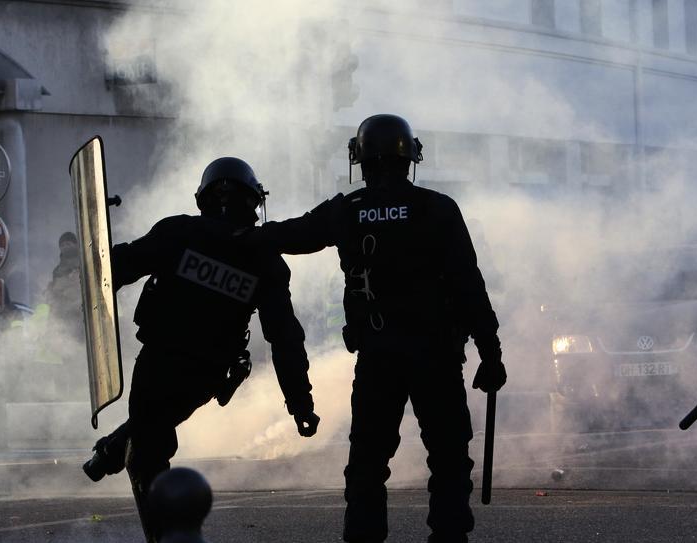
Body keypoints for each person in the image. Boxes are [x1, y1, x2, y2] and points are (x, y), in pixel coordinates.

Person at [247, 114, 507, 542]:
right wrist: (491, 354)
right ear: (412, 157)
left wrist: (232, 234)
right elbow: (468, 287)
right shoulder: (438, 208)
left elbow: (291, 235)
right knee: (448, 461)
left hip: (379, 358)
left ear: (360, 160)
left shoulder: (346, 212)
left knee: (367, 466)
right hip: (436, 357)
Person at [82, 157, 320, 542]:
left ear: (204, 198)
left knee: (145, 455)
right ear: (253, 203)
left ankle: (163, 531)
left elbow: (118, 269)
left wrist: (96, 252)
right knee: (151, 431)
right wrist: (300, 403)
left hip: (158, 365)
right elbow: (285, 338)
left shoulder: (179, 233)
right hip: (205, 377)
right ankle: (109, 452)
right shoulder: (263, 260)